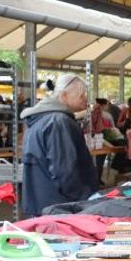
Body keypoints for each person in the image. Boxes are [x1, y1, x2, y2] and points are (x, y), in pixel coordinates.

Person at [20, 73, 99, 217]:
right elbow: (64, 170)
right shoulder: (58, 121)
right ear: (64, 96)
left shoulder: (41, 119)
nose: (85, 99)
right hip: (60, 208)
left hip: (44, 205)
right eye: (81, 95)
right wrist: (85, 199)